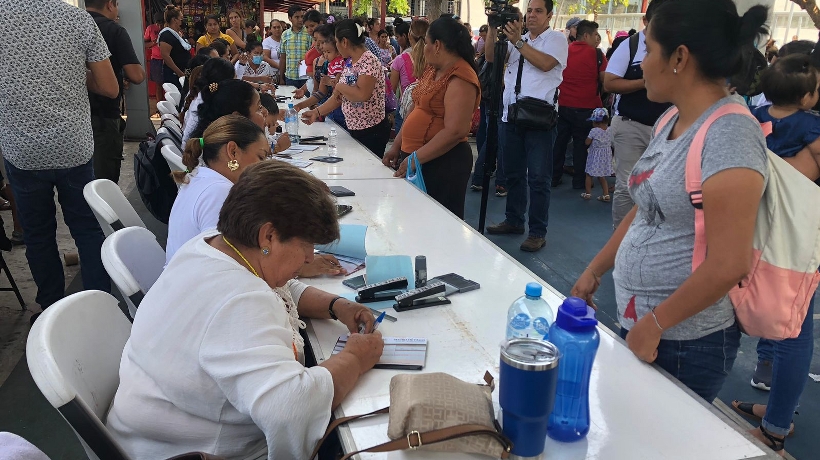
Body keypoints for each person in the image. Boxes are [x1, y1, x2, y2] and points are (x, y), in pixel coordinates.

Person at [571, 0, 769, 434]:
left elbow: (729, 262)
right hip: (645, 325)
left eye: (650, 52)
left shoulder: (730, 133)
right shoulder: (671, 119)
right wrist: (594, 270)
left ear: (679, 58)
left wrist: (656, 325)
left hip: (684, 341)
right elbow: (646, 211)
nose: (642, 64)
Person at [106, 159, 385, 459]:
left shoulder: (213, 246)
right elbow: (291, 408)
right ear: (268, 236)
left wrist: (335, 305)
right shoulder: (240, 301)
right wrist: (355, 358)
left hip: (150, 427)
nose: (308, 258)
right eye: (306, 245)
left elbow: (282, 286)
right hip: (183, 450)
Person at [0, 0, 118, 323]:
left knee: (38, 235)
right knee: (87, 229)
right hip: (73, 148)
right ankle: (99, 307)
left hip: (23, 150)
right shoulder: (78, 19)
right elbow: (109, 87)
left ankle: (52, 313)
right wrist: (80, 80)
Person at [729, 53, 820, 451]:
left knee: (769, 314)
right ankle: (778, 422)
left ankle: (777, 417)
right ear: (806, 98)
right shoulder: (812, 128)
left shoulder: (752, 117)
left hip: (758, 226)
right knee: (794, 326)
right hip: (795, 237)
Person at [485, 0, 568, 252]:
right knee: (513, 173)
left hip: (539, 119)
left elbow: (545, 64)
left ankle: (537, 231)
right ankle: (514, 220)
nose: (532, 16)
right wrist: (491, 29)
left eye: (538, 11)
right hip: (511, 116)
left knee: (539, 179)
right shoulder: (516, 39)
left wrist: (518, 42)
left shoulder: (556, 39)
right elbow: (490, 57)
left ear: (549, 16)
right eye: (529, 11)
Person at [382, 16, 480, 219]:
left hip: (443, 163)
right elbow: (416, 107)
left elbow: (455, 131)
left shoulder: (461, 77)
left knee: (438, 226)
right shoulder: (432, 69)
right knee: (414, 221)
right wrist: (397, 145)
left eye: (425, 43)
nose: (422, 48)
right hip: (418, 159)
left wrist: (415, 159)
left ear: (437, 45)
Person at [603, 0, 673, 229]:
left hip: (668, 130)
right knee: (626, 186)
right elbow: (609, 83)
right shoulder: (630, 46)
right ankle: (620, 241)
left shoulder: (678, 46)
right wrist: (646, 81)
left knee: (661, 187)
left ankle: (647, 237)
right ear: (646, 21)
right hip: (631, 125)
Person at [301, 20, 390, 157]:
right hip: (355, 128)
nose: (335, 45)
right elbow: (337, 98)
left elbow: (361, 94)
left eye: (336, 42)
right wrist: (316, 112)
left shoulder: (368, 61)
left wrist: (340, 86)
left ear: (344, 42)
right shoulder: (350, 61)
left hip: (371, 130)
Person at [86, 0, 145, 184]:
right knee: (104, 181)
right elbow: (136, 75)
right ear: (110, 4)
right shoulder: (113, 30)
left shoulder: (71, 25)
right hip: (104, 115)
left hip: (74, 116)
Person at [552, 19, 607, 189]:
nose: (597, 39)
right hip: (587, 106)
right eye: (595, 35)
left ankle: (553, 177)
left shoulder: (565, 51)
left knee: (559, 144)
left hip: (563, 105)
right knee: (581, 146)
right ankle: (579, 181)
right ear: (586, 35)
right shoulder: (597, 55)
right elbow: (605, 80)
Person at [294, 24, 347, 129]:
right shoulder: (324, 62)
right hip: (326, 111)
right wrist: (302, 106)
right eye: (315, 40)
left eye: (322, 41)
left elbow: (339, 92)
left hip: (342, 113)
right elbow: (320, 92)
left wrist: (333, 82)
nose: (318, 45)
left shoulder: (343, 62)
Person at [182, 58, 236, 146]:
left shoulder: (204, 94)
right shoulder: (214, 103)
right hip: (197, 153)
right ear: (226, 82)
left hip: (190, 148)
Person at [390, 20, 421, 134]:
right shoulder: (433, 58)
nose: (397, 40)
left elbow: (391, 90)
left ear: (407, 36)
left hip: (406, 109)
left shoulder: (400, 59)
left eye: (397, 37)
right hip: (426, 110)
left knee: (404, 147)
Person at [581, 108, 613, 201]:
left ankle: (587, 193)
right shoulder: (610, 130)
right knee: (601, 176)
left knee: (589, 174)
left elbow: (587, 142)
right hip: (606, 155)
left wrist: (586, 141)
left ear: (596, 122)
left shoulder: (594, 131)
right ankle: (606, 194)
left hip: (595, 155)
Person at [292, 10, 325, 99]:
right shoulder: (313, 41)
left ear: (320, 23)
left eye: (312, 26)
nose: (309, 29)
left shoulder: (324, 44)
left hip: (320, 90)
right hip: (311, 85)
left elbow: (321, 72)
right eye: (306, 27)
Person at [159, 6, 192, 91]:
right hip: (174, 75)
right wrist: (179, 73)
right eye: (181, 19)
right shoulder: (166, 35)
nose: (183, 21)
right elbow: (166, 56)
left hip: (184, 71)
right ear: (175, 20)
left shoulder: (178, 34)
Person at [279, 6, 311, 87]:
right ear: (290, 18)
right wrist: (281, 77)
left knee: (306, 99)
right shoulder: (285, 34)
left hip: (306, 77)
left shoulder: (309, 33)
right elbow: (283, 57)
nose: (300, 20)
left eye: (302, 16)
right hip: (290, 77)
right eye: (297, 17)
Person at [144, 12, 165, 116]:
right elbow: (144, 43)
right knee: (158, 84)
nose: (160, 25)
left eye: (162, 23)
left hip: (169, 59)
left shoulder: (169, 28)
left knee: (170, 84)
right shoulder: (150, 28)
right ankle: (160, 108)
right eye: (158, 23)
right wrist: (153, 43)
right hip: (156, 59)